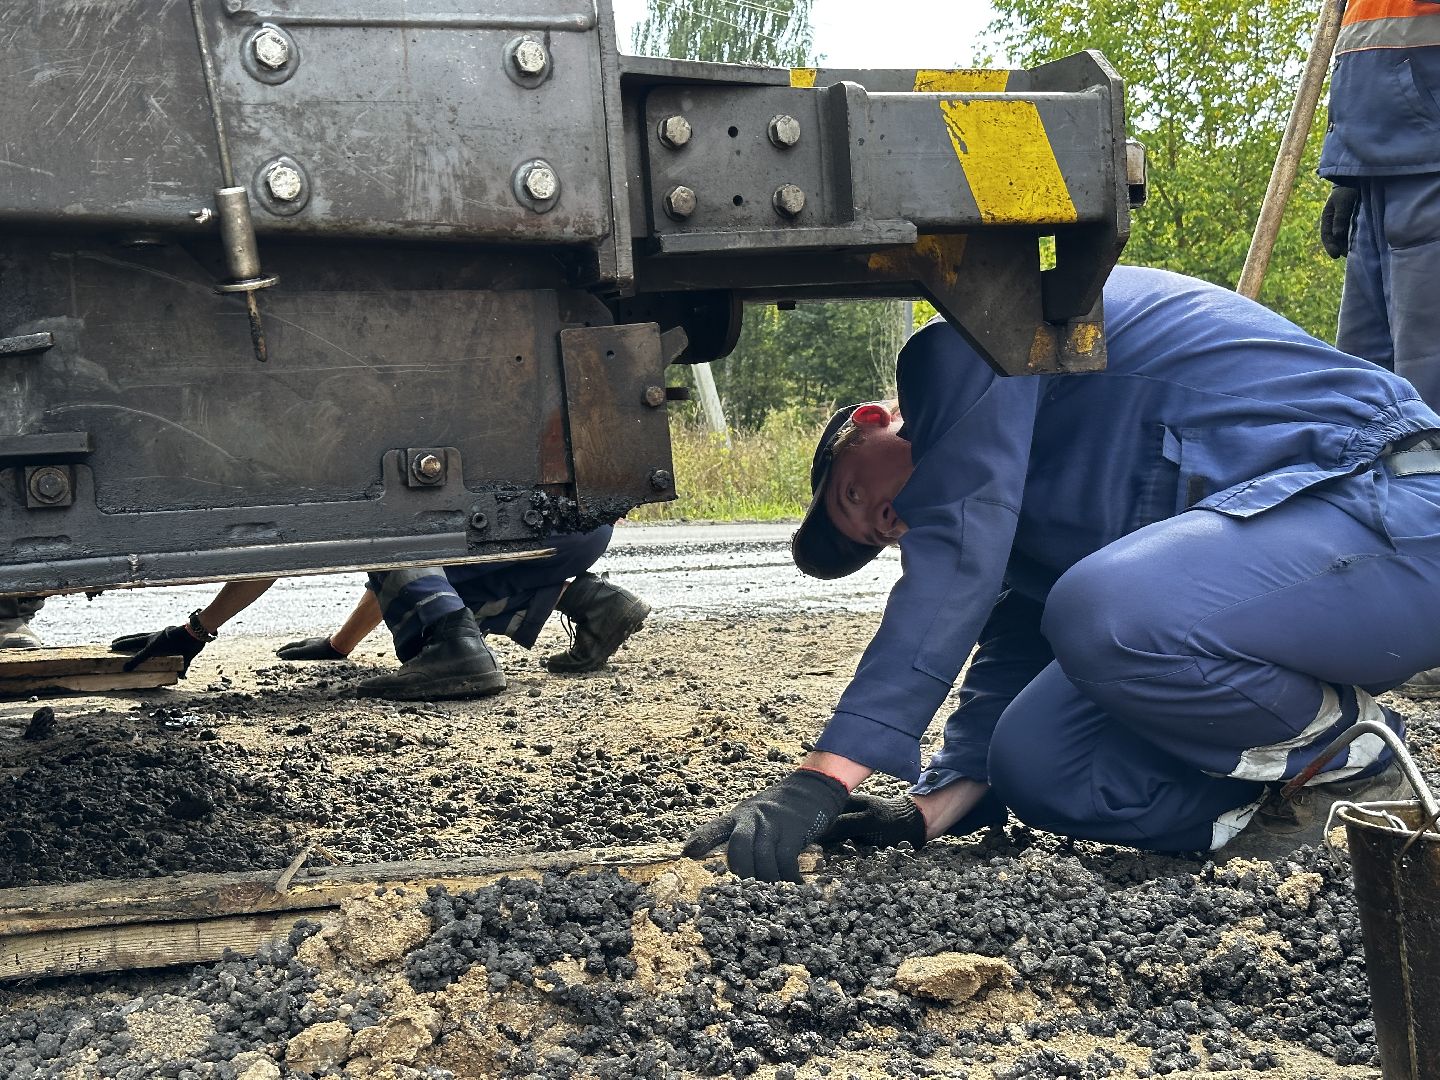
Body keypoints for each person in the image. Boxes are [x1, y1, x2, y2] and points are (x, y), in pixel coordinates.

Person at [684, 265, 1437, 882]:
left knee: (1104, 611)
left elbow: (961, 550)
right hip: (1305, 583)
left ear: (875, 422)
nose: (885, 522)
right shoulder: (1021, 514)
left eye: (856, 495)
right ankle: (1290, 825)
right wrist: (928, 809)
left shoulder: (968, 346)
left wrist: (824, 776)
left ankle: (1359, 765)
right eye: (875, 536)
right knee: (1037, 761)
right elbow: (1017, 629)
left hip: (1396, 505)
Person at [111, 525, 650, 698]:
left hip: (515, 531)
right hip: (573, 531)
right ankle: (595, 602)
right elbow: (400, 583)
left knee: (391, 535)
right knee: (412, 549)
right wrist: (340, 646)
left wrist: (197, 630)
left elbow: (272, 551)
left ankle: (458, 651)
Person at [1319, 0, 1440, 696]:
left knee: (1430, 407)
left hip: (1429, 153)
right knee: (1367, 404)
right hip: (1379, 161)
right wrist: (1345, 170)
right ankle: (1384, 616)